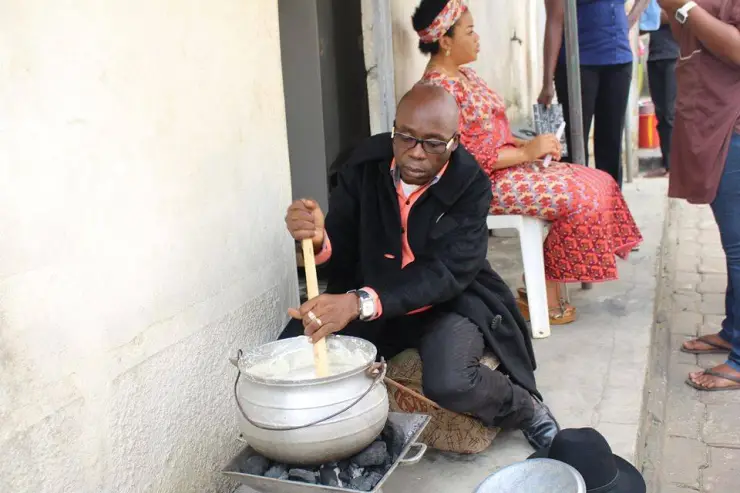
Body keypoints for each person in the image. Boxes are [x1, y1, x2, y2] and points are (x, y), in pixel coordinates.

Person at [280, 84, 560, 450]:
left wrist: (357, 303)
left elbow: (447, 273)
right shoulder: (363, 167)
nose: (415, 153)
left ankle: (526, 410)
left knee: (451, 382)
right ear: (395, 129)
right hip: (373, 292)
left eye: (432, 143)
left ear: (454, 142)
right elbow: (341, 243)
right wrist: (317, 238)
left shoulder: (470, 183)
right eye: (406, 137)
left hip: (446, 303)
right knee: (291, 356)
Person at [412, 0, 643, 325]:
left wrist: (529, 145)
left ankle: (543, 282)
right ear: (445, 41)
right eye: (469, 31)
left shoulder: (464, 76)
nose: (477, 37)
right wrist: (525, 153)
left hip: (505, 170)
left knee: (598, 180)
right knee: (583, 197)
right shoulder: (439, 91)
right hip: (479, 187)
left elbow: (490, 135)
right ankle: (543, 292)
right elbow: (465, 160)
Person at [662, 0, 740, 391]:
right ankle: (732, 332)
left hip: (733, 123)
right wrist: (677, 11)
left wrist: (685, 7)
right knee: (733, 243)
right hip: (710, 117)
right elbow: (690, 39)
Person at [540, 0, 651, 187]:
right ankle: (576, 203)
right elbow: (554, 21)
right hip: (578, 64)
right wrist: (547, 82)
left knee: (611, 142)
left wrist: (631, 18)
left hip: (619, 60)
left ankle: (610, 206)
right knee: (575, 144)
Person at [644, 5, 680, 178]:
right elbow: (642, 26)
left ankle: (675, 167)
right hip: (655, 56)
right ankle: (667, 164)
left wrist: (651, 14)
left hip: (672, 57)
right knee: (661, 113)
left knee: (670, 113)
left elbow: (676, 13)